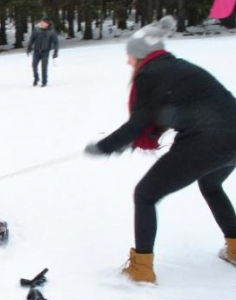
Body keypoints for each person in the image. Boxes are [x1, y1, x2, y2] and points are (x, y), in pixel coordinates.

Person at [84, 16, 236, 283]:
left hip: (205, 141)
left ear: (141, 55)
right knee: (211, 184)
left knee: (145, 195)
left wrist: (104, 146)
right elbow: (171, 112)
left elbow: (139, 123)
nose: (128, 61)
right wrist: (129, 139)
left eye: (130, 55)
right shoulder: (175, 68)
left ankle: (142, 268)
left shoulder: (150, 74)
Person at [27, 17, 59, 87]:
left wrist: (55, 52)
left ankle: (44, 82)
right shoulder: (36, 30)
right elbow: (32, 39)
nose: (41, 23)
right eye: (41, 22)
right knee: (34, 65)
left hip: (45, 52)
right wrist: (29, 48)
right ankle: (36, 78)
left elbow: (56, 42)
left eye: (43, 22)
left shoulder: (51, 32)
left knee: (44, 67)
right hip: (36, 51)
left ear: (47, 24)